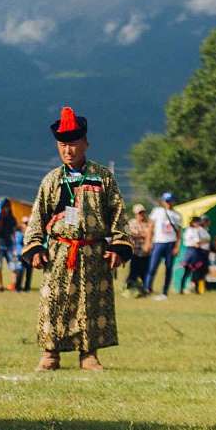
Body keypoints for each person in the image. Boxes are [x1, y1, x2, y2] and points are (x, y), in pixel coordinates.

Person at [22, 107, 132, 371]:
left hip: (93, 252)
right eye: (63, 145)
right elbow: (38, 215)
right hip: (60, 252)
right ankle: (50, 354)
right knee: (53, 301)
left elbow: (117, 212)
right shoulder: (52, 180)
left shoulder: (103, 177)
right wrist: (35, 247)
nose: (68, 150)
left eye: (72, 144)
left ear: (85, 143)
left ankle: (88, 354)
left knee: (90, 303)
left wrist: (118, 244)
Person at [144, 192, 182, 300]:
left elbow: (179, 234)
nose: (169, 203)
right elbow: (150, 228)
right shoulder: (157, 211)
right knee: (152, 267)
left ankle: (165, 292)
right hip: (158, 242)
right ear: (163, 201)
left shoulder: (177, 215)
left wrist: (177, 247)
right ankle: (147, 288)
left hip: (171, 243)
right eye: (167, 201)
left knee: (169, 268)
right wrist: (148, 242)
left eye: (170, 201)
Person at [0, 198, 18, 291]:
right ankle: (1, 286)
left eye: (8, 206)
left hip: (9, 245)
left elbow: (13, 232)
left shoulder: (11, 218)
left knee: (14, 266)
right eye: (5, 206)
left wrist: (14, 245)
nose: (7, 208)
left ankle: (13, 285)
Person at [180, 216, 210, 294]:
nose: (198, 223)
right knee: (187, 272)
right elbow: (187, 241)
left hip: (197, 252)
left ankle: (196, 289)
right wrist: (195, 243)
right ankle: (181, 288)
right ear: (192, 222)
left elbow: (204, 240)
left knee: (196, 271)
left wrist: (199, 242)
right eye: (196, 222)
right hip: (190, 251)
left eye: (198, 222)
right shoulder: (188, 230)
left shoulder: (198, 230)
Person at [126, 203, 151, 291]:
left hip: (146, 253)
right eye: (140, 213)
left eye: (143, 212)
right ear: (135, 213)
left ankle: (146, 288)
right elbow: (131, 234)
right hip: (135, 252)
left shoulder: (148, 223)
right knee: (134, 271)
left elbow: (151, 234)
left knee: (146, 271)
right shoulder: (131, 222)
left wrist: (142, 235)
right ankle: (129, 286)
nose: (142, 215)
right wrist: (144, 235)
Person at [14, 216, 33, 292]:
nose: (26, 224)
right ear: (22, 223)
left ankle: (27, 288)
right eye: (25, 223)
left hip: (29, 254)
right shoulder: (18, 233)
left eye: (28, 223)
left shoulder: (31, 232)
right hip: (20, 254)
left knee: (29, 271)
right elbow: (19, 241)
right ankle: (17, 288)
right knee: (20, 271)